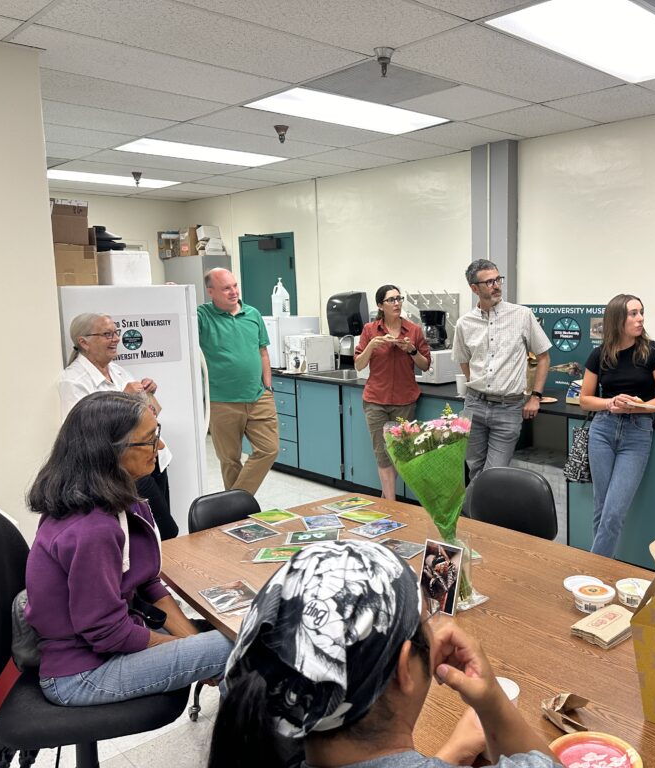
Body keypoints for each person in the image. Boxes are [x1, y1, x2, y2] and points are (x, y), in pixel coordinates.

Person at [207, 540, 555, 768]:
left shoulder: (266, 745)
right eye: (424, 627)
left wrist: (448, 755)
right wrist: (491, 699)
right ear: (405, 667)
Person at [25, 391, 233, 706]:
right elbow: (107, 632)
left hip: (106, 646)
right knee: (242, 645)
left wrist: (190, 644)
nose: (159, 447)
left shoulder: (122, 501)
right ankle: (249, 746)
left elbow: (147, 583)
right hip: (81, 674)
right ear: (111, 452)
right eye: (149, 440)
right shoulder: (91, 529)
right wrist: (183, 649)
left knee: (227, 637)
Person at [59, 312, 178, 539]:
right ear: (83, 341)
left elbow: (142, 415)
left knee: (160, 535)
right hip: (126, 470)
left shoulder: (118, 370)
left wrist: (147, 394)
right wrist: (123, 398)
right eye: (107, 334)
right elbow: (83, 436)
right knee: (164, 533)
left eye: (116, 332)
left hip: (154, 458)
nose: (115, 339)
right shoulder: (72, 382)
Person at [579, 294, 655, 558]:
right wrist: (610, 402)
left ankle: (592, 573)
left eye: (641, 312)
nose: (640, 318)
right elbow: (585, 400)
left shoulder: (653, 351)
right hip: (603, 430)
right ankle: (600, 574)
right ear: (617, 319)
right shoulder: (599, 354)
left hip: (637, 432)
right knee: (601, 507)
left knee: (613, 513)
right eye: (633, 313)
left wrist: (637, 406)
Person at [452, 259, 552, 480]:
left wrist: (535, 396)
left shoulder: (522, 315)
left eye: (498, 279)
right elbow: (463, 360)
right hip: (474, 405)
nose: (496, 285)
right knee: (475, 470)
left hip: (508, 408)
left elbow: (544, 357)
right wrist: (477, 386)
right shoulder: (464, 324)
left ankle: (475, 515)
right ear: (474, 288)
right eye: (489, 282)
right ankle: (476, 515)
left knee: (493, 475)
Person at [198, 268, 279, 495]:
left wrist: (268, 387)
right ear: (211, 291)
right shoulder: (202, 316)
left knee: (269, 449)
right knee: (229, 460)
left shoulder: (253, 314)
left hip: (258, 396)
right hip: (221, 400)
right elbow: (179, 325)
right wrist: (172, 297)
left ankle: (234, 501)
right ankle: (236, 514)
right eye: (226, 288)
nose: (234, 292)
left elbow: (263, 351)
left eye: (234, 285)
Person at [354, 285, 432, 499]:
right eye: (391, 300)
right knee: (382, 455)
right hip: (375, 401)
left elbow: (425, 365)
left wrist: (412, 350)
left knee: (397, 454)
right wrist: (371, 345)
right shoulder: (370, 330)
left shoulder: (414, 330)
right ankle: (391, 503)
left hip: (404, 401)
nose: (397, 303)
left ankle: (386, 500)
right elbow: (359, 365)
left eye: (399, 298)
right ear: (381, 305)